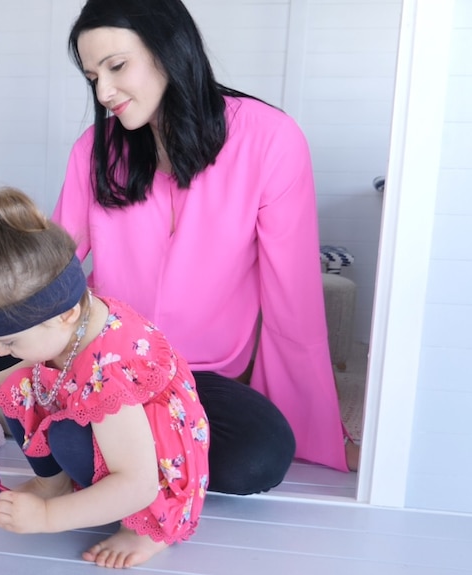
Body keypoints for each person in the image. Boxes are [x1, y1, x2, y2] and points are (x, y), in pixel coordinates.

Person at [52, 0, 355, 480]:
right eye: (93, 77)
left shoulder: (270, 140)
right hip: (110, 366)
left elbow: (291, 301)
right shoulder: (95, 149)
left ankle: (133, 469)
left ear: (168, 49)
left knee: (263, 454)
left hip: (203, 378)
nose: (105, 91)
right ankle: (144, 467)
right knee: (52, 420)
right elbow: (55, 264)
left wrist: (316, 429)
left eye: (116, 66)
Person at [0, 185, 210, 569]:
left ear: (63, 315)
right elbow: (35, 366)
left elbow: (138, 482)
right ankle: (54, 484)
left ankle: (147, 531)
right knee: (18, 385)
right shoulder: (72, 320)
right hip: (112, 431)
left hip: (151, 473)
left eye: (9, 341)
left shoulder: (108, 370)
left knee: (64, 431)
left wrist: (47, 520)